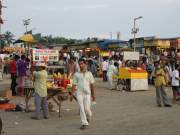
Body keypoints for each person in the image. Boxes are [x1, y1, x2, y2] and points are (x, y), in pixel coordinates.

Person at [70, 59, 95, 130]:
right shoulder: (76, 74)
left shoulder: (89, 73)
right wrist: (72, 95)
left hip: (87, 94)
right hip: (79, 93)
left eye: (82, 63)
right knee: (81, 108)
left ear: (85, 64)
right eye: (79, 64)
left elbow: (92, 84)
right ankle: (84, 123)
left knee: (87, 109)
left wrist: (93, 95)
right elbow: (74, 85)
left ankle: (88, 116)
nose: (81, 65)